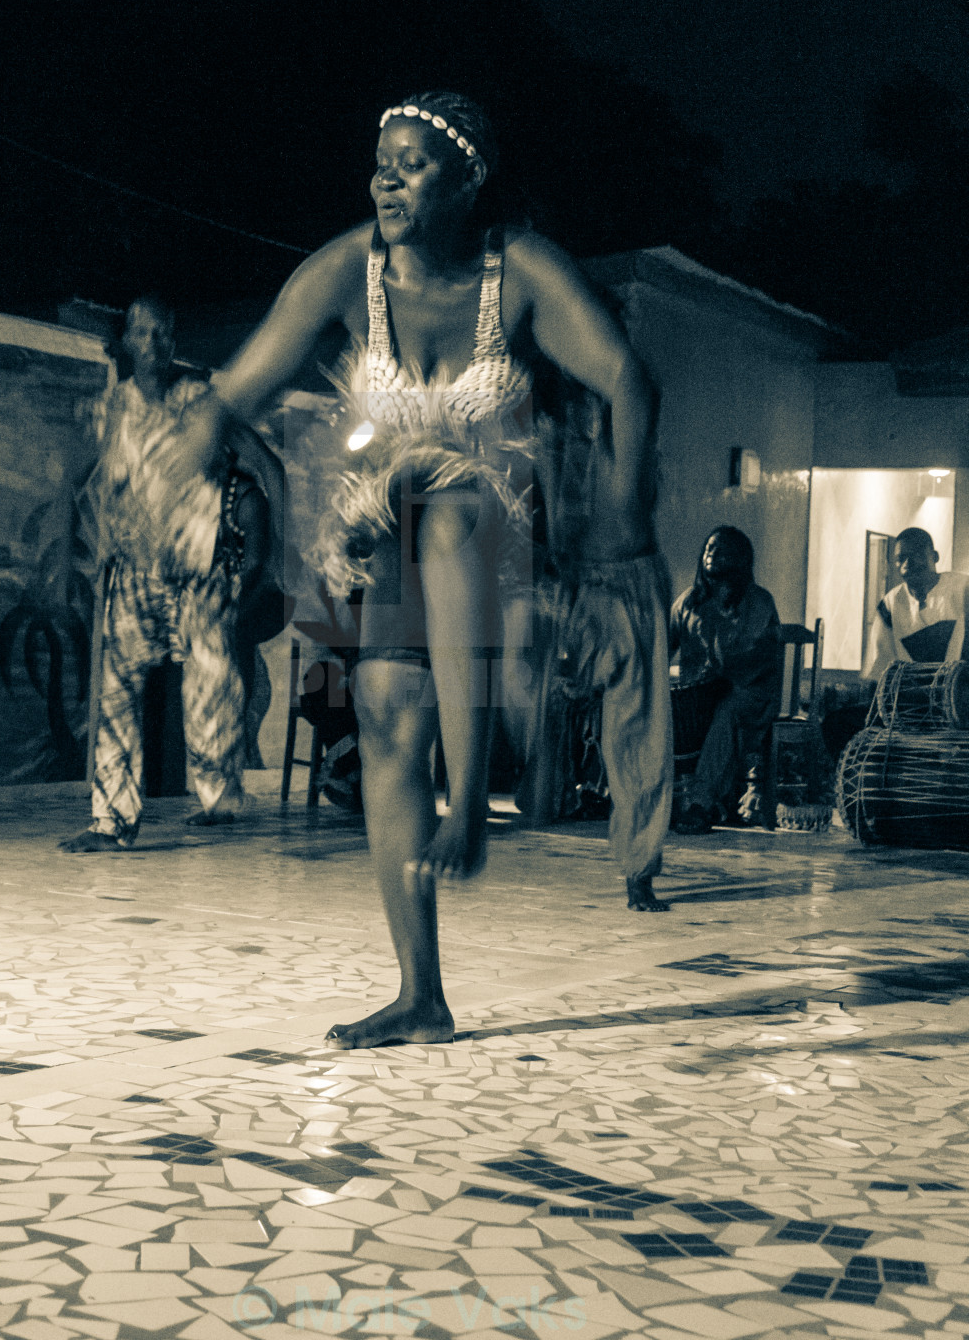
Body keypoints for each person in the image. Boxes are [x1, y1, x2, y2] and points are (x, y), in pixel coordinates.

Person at [160, 92, 658, 1047]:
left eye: (413, 163)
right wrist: (192, 438)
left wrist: (623, 517)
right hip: (397, 521)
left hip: (507, 528)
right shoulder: (349, 268)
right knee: (387, 704)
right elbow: (243, 380)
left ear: (469, 179)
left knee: (445, 504)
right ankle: (420, 992)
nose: (386, 178)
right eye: (379, 161)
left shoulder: (522, 273)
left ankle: (470, 800)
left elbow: (630, 380)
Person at [60, 295, 274, 852]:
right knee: (114, 695)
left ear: (174, 341)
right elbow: (88, 481)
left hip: (197, 571)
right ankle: (111, 821)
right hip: (132, 571)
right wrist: (83, 548)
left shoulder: (202, 400)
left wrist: (272, 555)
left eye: (165, 333)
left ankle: (220, 792)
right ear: (126, 342)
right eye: (143, 333)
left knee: (211, 689)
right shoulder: (114, 409)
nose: (154, 344)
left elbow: (265, 464)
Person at [526, 377, 674, 911]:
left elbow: (637, 394)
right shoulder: (543, 422)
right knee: (537, 700)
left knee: (638, 731)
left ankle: (639, 868)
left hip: (632, 585)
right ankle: (536, 794)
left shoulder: (625, 408)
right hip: (572, 585)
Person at [668, 526, 782, 833]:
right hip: (701, 696)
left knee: (727, 711)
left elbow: (751, 658)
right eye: (708, 548)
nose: (712, 554)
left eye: (721, 549)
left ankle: (700, 805)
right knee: (661, 706)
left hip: (751, 695)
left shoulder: (758, 602)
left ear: (740, 558)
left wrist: (716, 666)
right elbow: (663, 648)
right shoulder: (689, 602)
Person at [861, 527, 969, 679]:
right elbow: (879, 665)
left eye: (917, 555)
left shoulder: (964, 589)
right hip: (911, 699)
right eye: (901, 558)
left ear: (935, 556)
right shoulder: (890, 604)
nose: (908, 563)